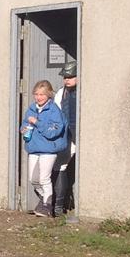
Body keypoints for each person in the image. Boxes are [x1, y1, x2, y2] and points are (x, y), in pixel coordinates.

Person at [20, 79, 69, 217]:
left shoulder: (54, 110)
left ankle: (47, 206)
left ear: (48, 95)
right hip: (34, 148)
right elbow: (24, 124)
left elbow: (53, 131)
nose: (38, 97)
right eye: (36, 94)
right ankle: (44, 198)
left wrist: (37, 122)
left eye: (42, 94)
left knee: (44, 179)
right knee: (33, 179)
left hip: (48, 149)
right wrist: (23, 129)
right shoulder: (31, 108)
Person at [52, 60, 78, 219]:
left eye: (70, 76)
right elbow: (57, 114)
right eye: (65, 77)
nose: (67, 79)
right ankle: (59, 207)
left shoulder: (85, 91)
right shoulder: (61, 93)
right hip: (68, 134)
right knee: (61, 166)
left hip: (84, 134)